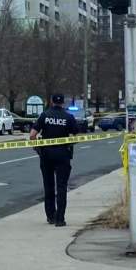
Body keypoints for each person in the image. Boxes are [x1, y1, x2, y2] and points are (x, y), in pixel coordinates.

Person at [30, 94, 78, 227]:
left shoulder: (44, 115)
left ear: (51, 101)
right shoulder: (69, 117)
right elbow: (76, 136)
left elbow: (33, 134)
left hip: (46, 154)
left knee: (48, 185)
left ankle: (50, 216)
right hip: (63, 154)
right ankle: (60, 219)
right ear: (63, 102)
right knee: (61, 187)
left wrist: (36, 148)